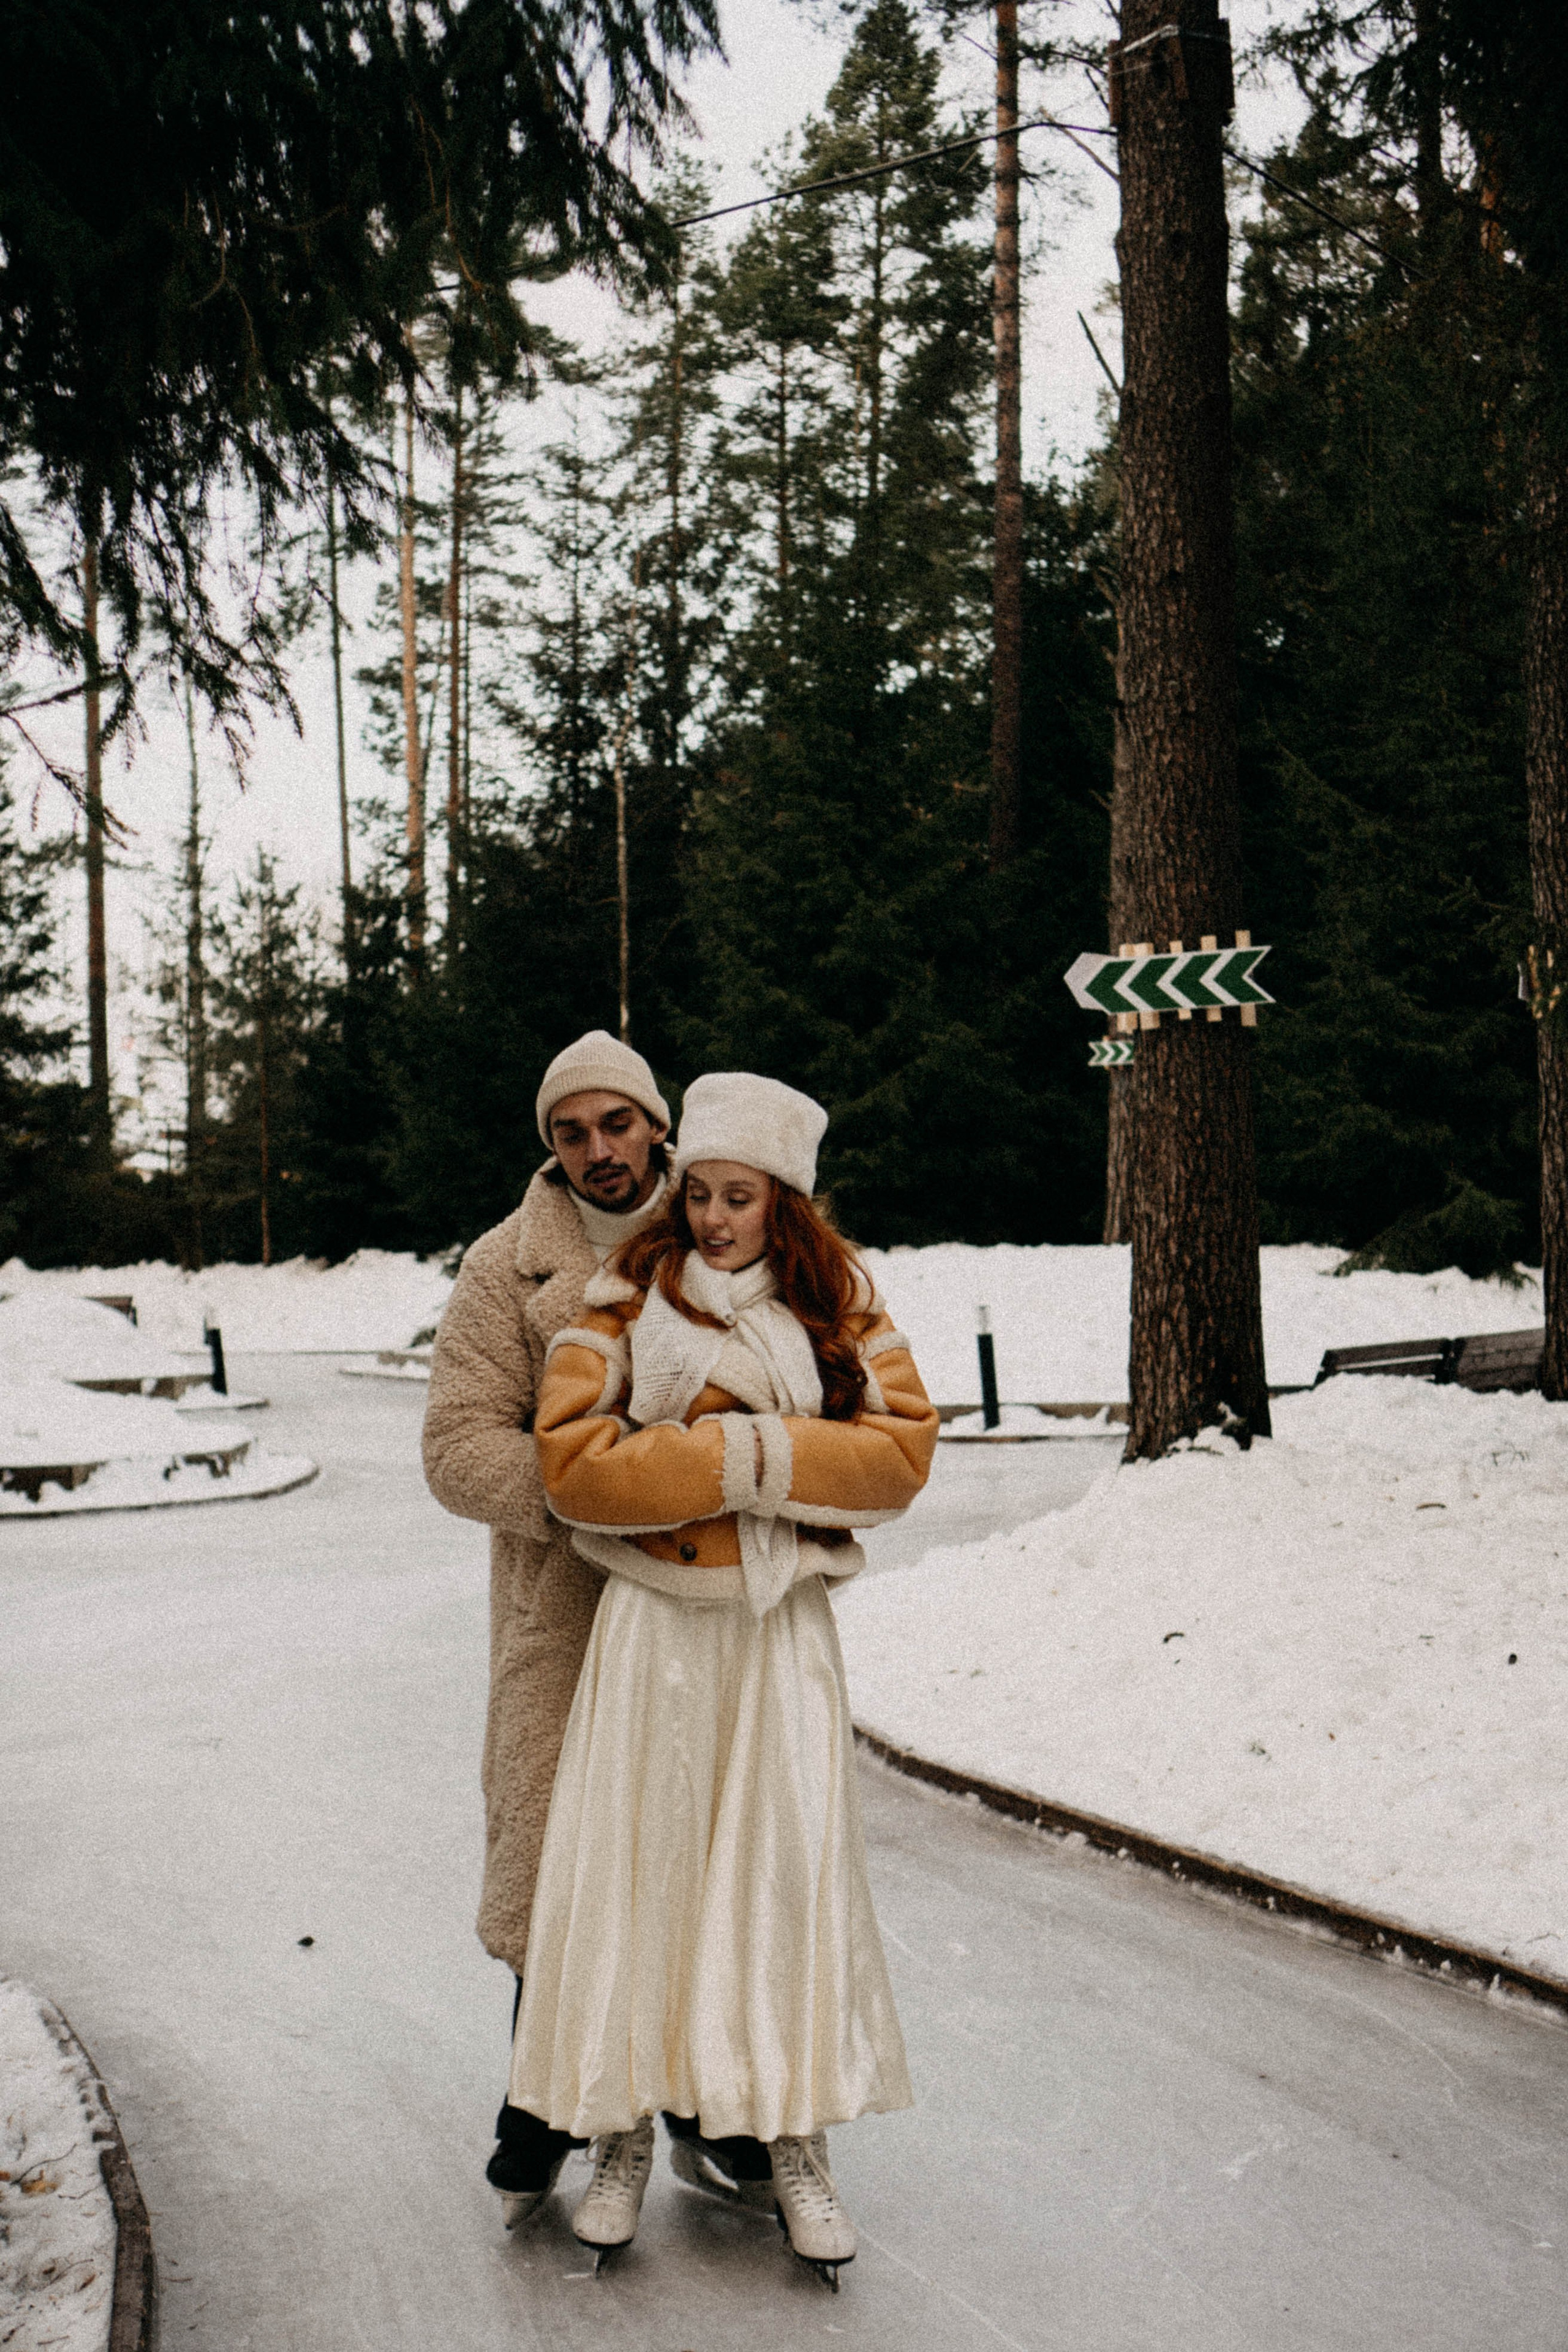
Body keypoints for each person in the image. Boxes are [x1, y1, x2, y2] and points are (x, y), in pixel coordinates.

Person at [510, 1071, 938, 2285]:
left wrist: (737, 1452)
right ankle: (620, 2135)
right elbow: (573, 1465)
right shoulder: (624, 1295)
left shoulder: (840, 1303)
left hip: (776, 1632)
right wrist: (743, 1461)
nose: (709, 1219)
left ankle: (794, 2143)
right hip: (652, 1629)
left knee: (783, 1879)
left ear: (781, 1201)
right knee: (635, 1874)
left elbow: (900, 1455)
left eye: (737, 1198)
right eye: (697, 1194)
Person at [421, 1029, 679, 2218]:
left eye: (616, 1123)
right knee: (558, 1845)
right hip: (564, 1606)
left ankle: (717, 2108)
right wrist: (596, 1493)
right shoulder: (503, 1266)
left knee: (698, 1844)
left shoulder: (723, 1227)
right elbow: (457, 1446)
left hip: (703, 1598)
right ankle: (543, 2099)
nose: (596, 1150)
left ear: (656, 1124)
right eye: (570, 1133)